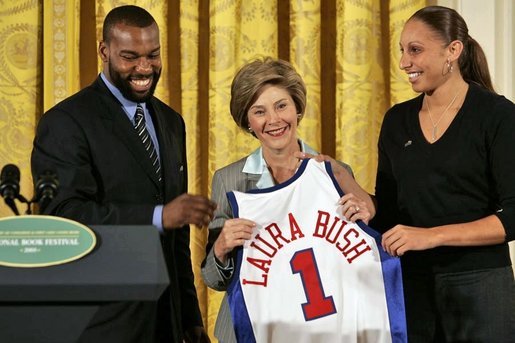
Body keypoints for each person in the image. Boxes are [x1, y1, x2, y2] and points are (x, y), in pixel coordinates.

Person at [31, 5, 216, 343]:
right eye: (130, 57)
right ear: (105, 51)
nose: (144, 68)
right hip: (102, 325)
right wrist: (159, 215)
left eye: (153, 55)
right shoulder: (66, 122)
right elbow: (62, 218)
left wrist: (189, 317)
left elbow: (176, 240)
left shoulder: (172, 123)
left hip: (167, 323)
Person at [201, 57, 378, 342]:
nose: (273, 120)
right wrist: (221, 248)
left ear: (297, 108)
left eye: (281, 105)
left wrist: (361, 221)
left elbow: (358, 260)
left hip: (321, 328)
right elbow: (214, 279)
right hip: (250, 331)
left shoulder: (336, 172)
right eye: (259, 111)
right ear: (248, 121)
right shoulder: (228, 180)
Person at [372, 5, 515, 342]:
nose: (403, 62)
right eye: (402, 51)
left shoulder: (497, 115)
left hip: (482, 288)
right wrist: (348, 186)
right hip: (412, 288)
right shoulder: (396, 121)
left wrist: (431, 235)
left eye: (415, 50)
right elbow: (390, 215)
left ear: (453, 50)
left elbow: (513, 217)